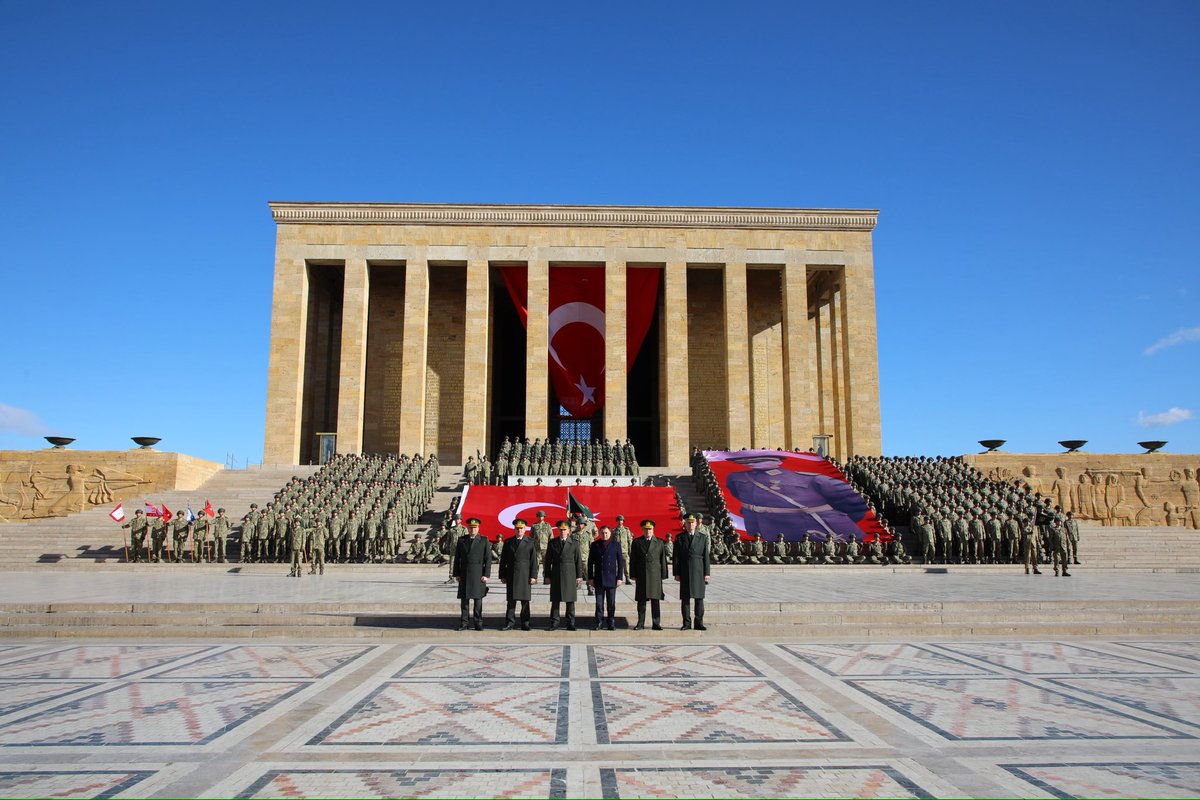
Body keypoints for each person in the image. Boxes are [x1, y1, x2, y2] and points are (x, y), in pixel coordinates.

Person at [453, 517, 492, 630]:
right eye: (471, 528)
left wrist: (486, 575)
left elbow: (488, 559)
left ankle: (478, 622)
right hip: (464, 574)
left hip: (478, 574)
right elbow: (457, 558)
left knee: (478, 600)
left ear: (478, 528)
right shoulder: (462, 540)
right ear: (468, 529)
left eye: (475, 528)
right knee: (464, 601)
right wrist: (457, 573)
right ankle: (464, 623)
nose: (473, 530)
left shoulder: (484, 540)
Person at [674, 514, 711, 630]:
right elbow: (676, 557)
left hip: (699, 570)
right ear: (685, 524)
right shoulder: (680, 537)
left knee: (699, 598)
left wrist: (707, 573)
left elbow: (706, 556)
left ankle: (699, 622)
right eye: (688, 522)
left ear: (696, 524)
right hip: (685, 570)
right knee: (685, 598)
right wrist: (676, 573)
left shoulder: (702, 537)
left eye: (692, 522)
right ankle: (686, 622)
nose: (690, 525)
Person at [500, 518, 538, 631]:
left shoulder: (530, 542)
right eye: (517, 528)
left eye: (521, 528)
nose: (519, 530)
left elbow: (533, 561)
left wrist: (533, 576)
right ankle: (510, 623)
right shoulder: (508, 542)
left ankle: (525, 623)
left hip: (524, 575)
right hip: (512, 575)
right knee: (511, 601)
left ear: (525, 529)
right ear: (514, 529)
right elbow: (503, 560)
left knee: (525, 601)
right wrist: (502, 575)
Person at [544, 520, 582, 631]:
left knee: (570, 601)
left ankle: (570, 623)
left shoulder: (574, 543)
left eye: (565, 530)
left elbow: (578, 561)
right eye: (561, 530)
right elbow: (548, 561)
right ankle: (554, 623)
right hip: (556, 574)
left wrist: (579, 576)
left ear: (569, 530)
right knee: (555, 601)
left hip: (570, 574)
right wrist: (547, 575)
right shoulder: (552, 543)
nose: (562, 532)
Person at [588, 524, 627, 630]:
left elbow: (620, 562)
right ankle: (599, 622)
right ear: (599, 534)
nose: (604, 535)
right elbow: (590, 563)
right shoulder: (595, 545)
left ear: (610, 534)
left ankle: (611, 622)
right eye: (602, 533)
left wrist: (620, 578)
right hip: (599, 579)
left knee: (611, 603)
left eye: (606, 533)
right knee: (599, 603)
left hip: (611, 579)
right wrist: (590, 578)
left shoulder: (616, 545)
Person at [630, 519, 666, 630]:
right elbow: (633, 560)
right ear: (642, 530)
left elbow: (662, 560)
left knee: (655, 600)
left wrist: (663, 574)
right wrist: (633, 574)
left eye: (650, 529)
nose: (648, 531)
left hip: (655, 575)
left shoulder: (659, 542)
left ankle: (656, 623)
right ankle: (640, 623)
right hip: (642, 575)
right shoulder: (637, 542)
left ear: (653, 530)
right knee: (641, 601)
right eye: (646, 529)